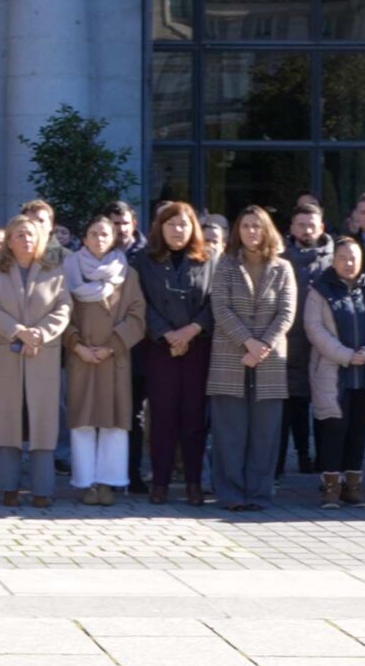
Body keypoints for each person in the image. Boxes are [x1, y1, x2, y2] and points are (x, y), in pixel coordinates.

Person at [208, 207, 296, 514]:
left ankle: (259, 494)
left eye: (256, 226)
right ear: (237, 231)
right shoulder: (225, 265)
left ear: (267, 230)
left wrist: (262, 347)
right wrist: (247, 342)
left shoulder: (283, 268)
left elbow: (286, 312)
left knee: (265, 435)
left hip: (269, 362)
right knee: (229, 434)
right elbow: (220, 308)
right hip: (230, 357)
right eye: (245, 226)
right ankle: (230, 493)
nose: (251, 231)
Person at [58, 209, 144, 507]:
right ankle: (85, 482)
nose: (98, 239)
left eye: (104, 234)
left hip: (113, 357)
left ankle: (108, 483)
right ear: (84, 238)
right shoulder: (68, 269)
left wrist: (112, 346)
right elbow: (59, 312)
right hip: (81, 355)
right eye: (93, 234)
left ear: (114, 239)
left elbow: (137, 316)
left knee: (112, 421)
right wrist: (76, 345)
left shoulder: (127, 273)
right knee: (82, 420)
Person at [0, 212, 67, 508]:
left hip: (42, 354)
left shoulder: (54, 271)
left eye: (31, 234)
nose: (26, 239)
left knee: (42, 421)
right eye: (20, 235)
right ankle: (8, 487)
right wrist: (18, 332)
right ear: (10, 242)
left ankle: (42, 489)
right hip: (7, 353)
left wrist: (40, 334)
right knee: (8, 420)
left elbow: (63, 309)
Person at [133, 201, 213, 506]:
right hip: (159, 347)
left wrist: (191, 331)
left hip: (197, 346)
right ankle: (161, 482)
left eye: (183, 224)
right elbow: (141, 302)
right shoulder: (144, 260)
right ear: (159, 228)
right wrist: (167, 333)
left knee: (194, 417)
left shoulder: (208, 259)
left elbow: (215, 302)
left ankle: (193, 482)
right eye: (171, 224)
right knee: (162, 416)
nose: (178, 230)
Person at [305, 235, 365, 510]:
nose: (349, 262)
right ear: (333, 260)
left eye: (354, 257)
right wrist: (344, 355)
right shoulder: (319, 290)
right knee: (334, 427)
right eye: (342, 257)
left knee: (358, 429)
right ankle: (330, 486)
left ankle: (353, 486)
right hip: (333, 372)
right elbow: (314, 328)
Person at [279, 202, 334, 477]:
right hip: (288, 343)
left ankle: (326, 463)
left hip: (324, 344)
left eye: (311, 224)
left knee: (325, 406)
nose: (306, 229)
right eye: (300, 224)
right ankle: (298, 456)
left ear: (321, 227)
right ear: (291, 228)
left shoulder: (334, 259)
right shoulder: (280, 258)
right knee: (292, 406)